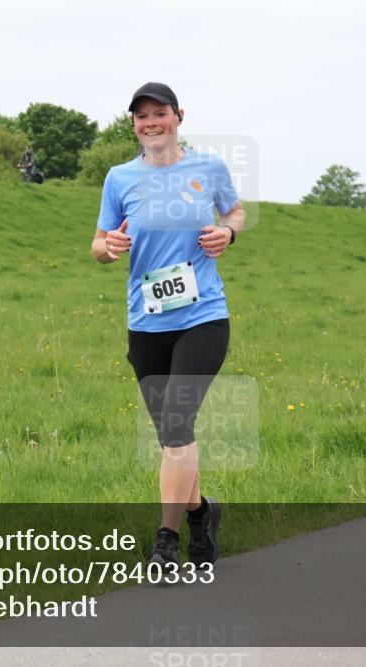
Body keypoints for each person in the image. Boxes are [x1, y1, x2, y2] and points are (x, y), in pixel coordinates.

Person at [91, 82, 245, 572]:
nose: (150, 123)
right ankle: (202, 512)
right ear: (133, 124)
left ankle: (165, 540)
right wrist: (108, 248)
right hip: (146, 321)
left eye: (159, 113)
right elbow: (98, 243)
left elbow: (235, 212)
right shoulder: (119, 178)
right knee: (173, 437)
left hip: (202, 318)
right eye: (141, 117)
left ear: (179, 116)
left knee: (176, 426)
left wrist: (228, 232)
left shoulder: (208, 167)